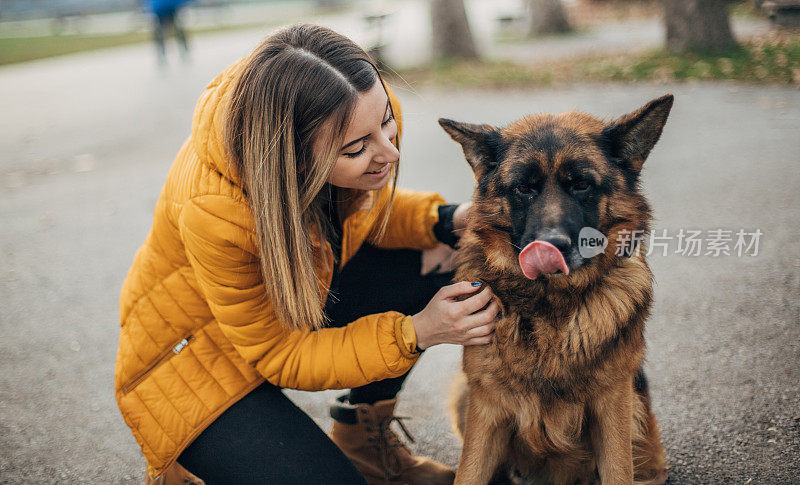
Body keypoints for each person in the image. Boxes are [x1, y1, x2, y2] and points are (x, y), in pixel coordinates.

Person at [114, 23, 499, 485]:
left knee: (445, 251)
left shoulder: (354, 106)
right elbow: (280, 352)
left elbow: (360, 212)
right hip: (195, 360)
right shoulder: (216, 212)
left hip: (290, 297)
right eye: (358, 148)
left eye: (386, 124)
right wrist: (416, 331)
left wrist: (447, 220)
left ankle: (364, 439)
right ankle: (191, 465)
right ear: (293, 160)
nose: (388, 152)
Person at [145, 0, 191, 65]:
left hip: (163, 9)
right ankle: (183, 50)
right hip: (165, 9)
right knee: (175, 30)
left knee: (166, 31)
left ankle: (162, 53)